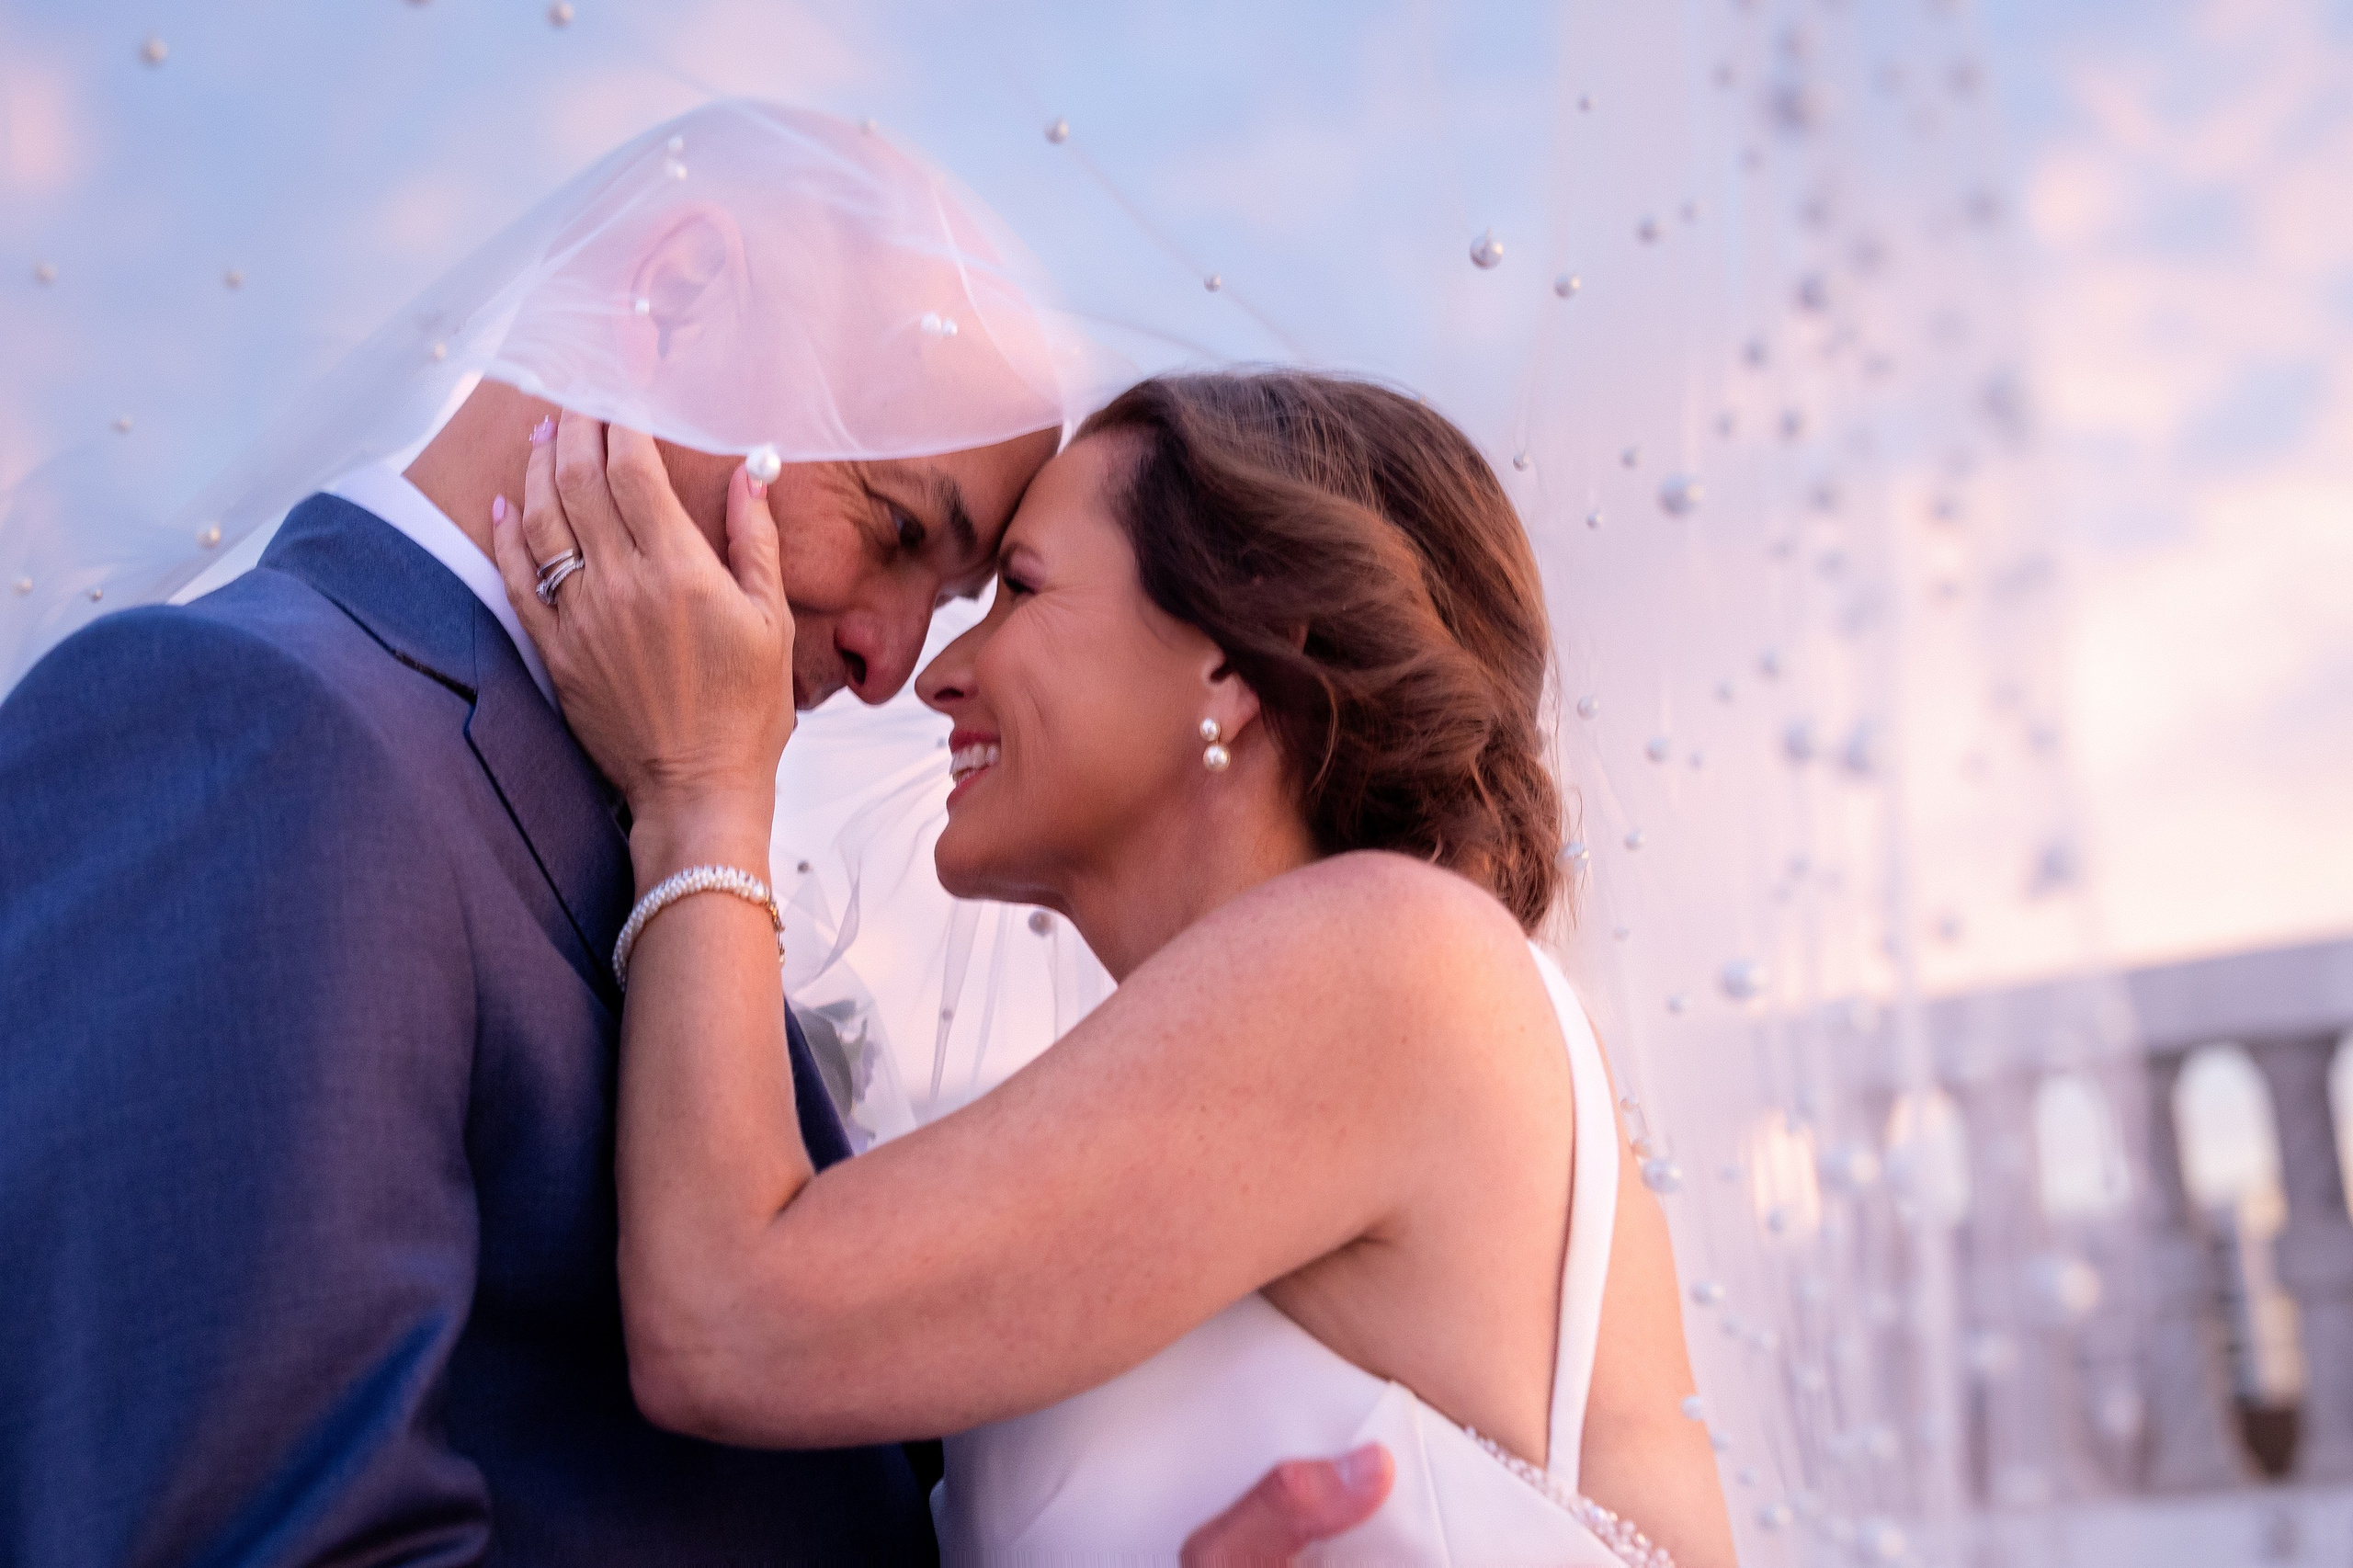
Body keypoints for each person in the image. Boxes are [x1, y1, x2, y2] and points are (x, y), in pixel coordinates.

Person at [0, 105, 1379, 1564]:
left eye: (967, 591)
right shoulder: (255, 728)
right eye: (901, 527)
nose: (892, 663)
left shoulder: (651, 842)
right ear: (672, 297)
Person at [499, 371, 1741, 1562]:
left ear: (1237, 659)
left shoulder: (1406, 957)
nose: (939, 673)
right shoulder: (1232, 1089)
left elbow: (728, 1321)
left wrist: (702, 790)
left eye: (1022, 590)